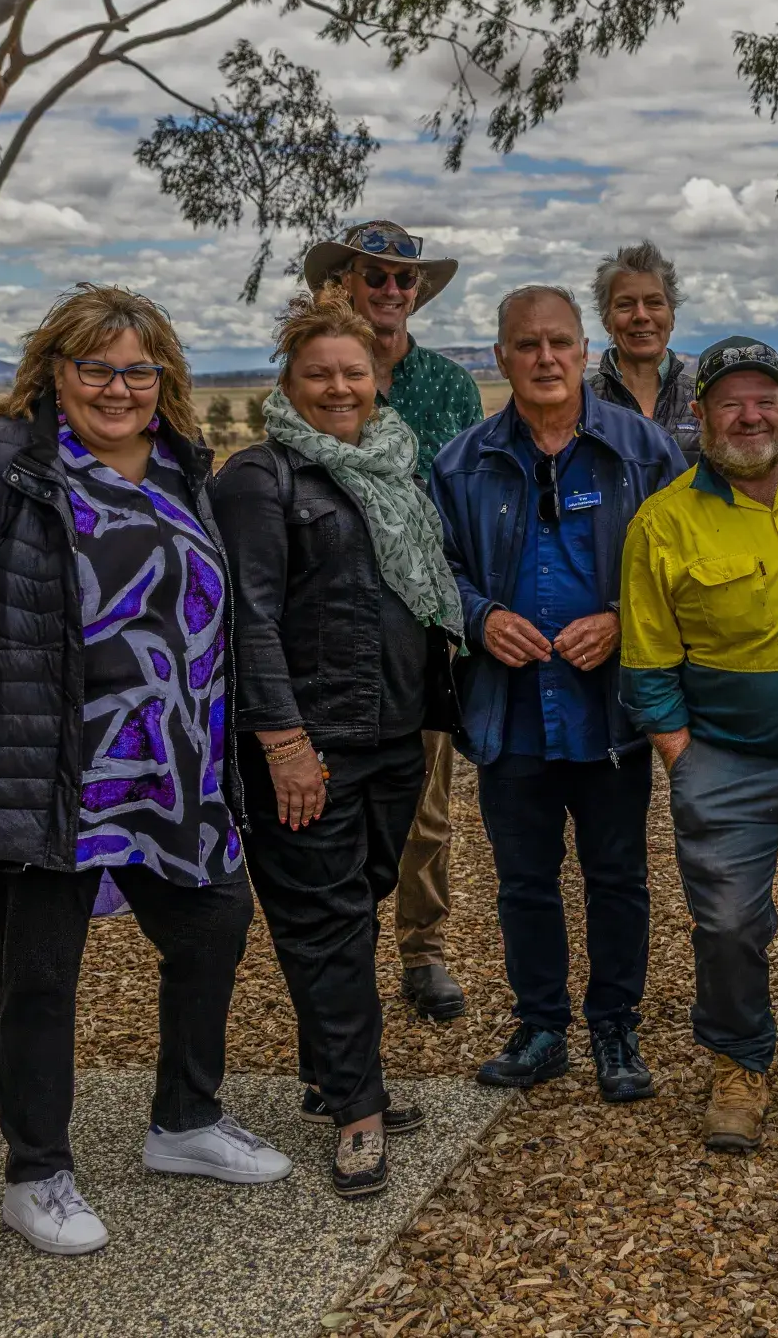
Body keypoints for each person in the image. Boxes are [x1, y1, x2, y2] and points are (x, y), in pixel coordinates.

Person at [0, 285, 288, 1258]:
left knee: (214, 921)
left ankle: (185, 1121)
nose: (118, 386)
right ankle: (37, 1174)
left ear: (164, 379)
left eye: (138, 367)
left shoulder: (181, 467)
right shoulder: (0, 462)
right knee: (40, 975)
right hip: (42, 764)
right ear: (54, 371)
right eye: (94, 365)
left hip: (170, 769)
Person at [212, 289, 466, 1199]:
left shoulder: (394, 469)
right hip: (308, 742)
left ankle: (331, 1069)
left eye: (353, 372)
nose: (337, 388)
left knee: (357, 903)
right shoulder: (257, 479)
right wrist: (283, 742)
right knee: (324, 925)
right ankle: (358, 1111)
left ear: (378, 378)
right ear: (286, 379)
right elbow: (248, 620)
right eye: (318, 373)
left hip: (397, 734)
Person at [619, 336, 778, 1154]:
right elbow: (647, 659)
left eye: (763, 397)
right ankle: (738, 1058)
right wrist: (681, 754)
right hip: (725, 763)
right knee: (729, 924)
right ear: (698, 415)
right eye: (729, 400)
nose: (749, 413)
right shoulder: (663, 521)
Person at [435, 286, 685, 1103]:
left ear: (584, 352)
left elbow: (680, 563)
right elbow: (439, 572)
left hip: (608, 712)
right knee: (522, 879)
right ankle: (541, 1025)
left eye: (560, 344)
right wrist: (479, 618)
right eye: (526, 345)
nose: (545, 359)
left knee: (617, 875)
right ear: (500, 357)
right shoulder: (462, 462)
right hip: (511, 709)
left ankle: (616, 1024)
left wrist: (621, 619)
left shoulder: (641, 450)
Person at [301, 221, 484, 1026]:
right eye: (373, 276)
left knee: (426, 801)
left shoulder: (447, 386)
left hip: (420, 619)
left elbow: (464, 505)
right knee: (327, 799)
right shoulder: (312, 380)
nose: (389, 291)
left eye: (403, 280)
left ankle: (422, 950)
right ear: (342, 283)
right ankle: (341, 957)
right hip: (325, 619)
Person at [588, 241, 700, 461]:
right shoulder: (581, 406)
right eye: (625, 304)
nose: (640, 315)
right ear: (606, 321)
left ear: (672, 317)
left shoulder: (706, 401)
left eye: (654, 302)